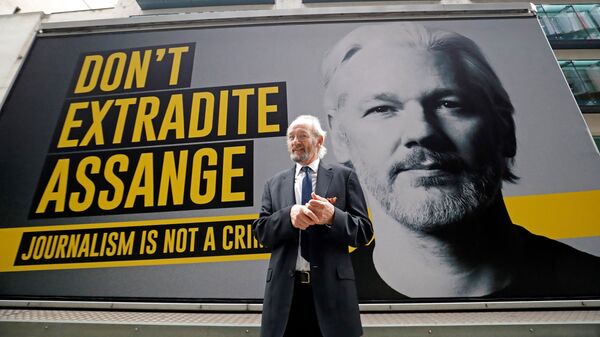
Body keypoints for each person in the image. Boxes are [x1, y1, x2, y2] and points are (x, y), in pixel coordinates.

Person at [321, 22, 600, 298]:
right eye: (381, 109)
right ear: (340, 137)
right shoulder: (311, 306)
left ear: (505, 129)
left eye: (449, 104)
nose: (422, 131)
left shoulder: (591, 284)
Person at [252, 115, 373, 337]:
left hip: (332, 295)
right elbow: (261, 233)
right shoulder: (274, 184)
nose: (295, 141)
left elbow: (364, 232)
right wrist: (289, 215)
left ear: (319, 141)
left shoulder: (344, 177)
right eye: (290, 137)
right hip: (285, 297)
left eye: (302, 136)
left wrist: (332, 216)